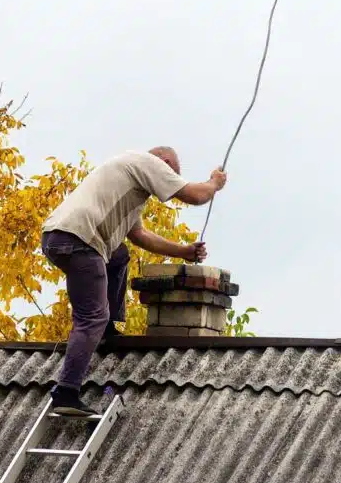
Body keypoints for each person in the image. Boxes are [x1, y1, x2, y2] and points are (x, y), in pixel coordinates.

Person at [40, 146, 227, 415]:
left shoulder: (128, 177)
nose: (166, 181)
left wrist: (183, 251)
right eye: (170, 174)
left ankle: (106, 329)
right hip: (80, 240)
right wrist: (214, 183)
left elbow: (138, 235)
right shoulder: (147, 162)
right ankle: (66, 393)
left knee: (119, 254)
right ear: (163, 163)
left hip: (59, 237)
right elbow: (195, 195)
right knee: (91, 316)